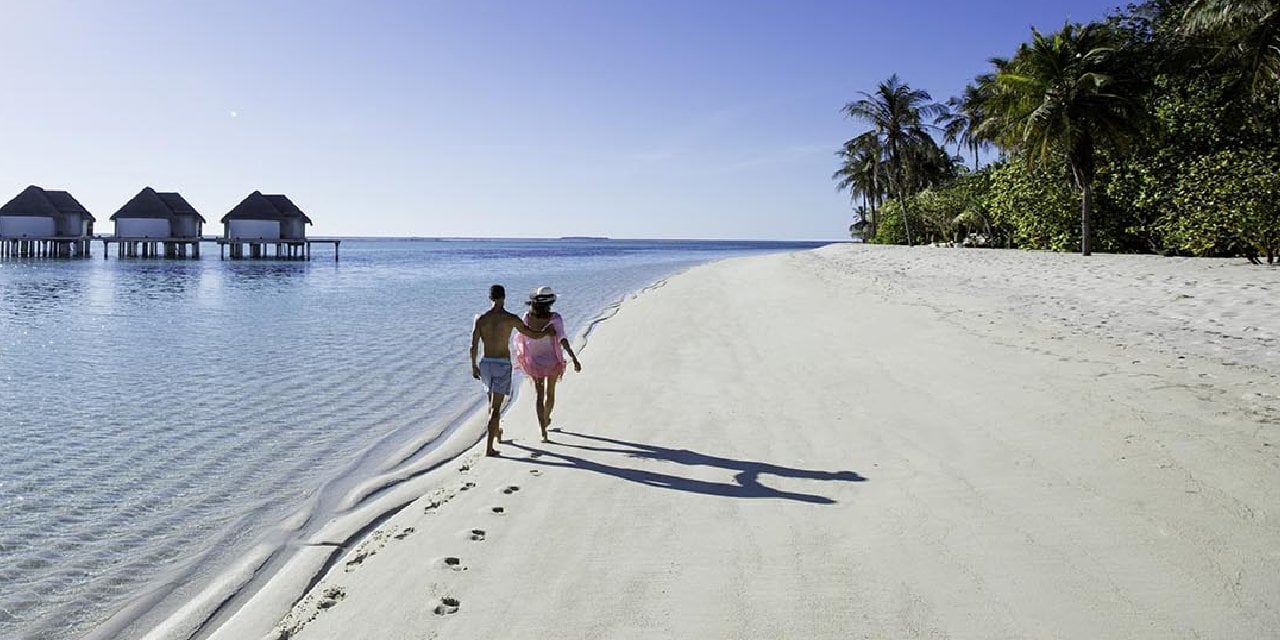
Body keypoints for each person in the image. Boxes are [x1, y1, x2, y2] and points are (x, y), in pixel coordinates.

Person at [471, 284, 554, 456]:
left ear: (490, 298)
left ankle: (497, 434)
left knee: (491, 403)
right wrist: (547, 332)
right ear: (504, 297)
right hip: (502, 364)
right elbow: (532, 334)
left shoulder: (480, 319)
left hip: (485, 363)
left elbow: (473, 345)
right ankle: (489, 448)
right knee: (496, 407)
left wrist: (473, 365)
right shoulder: (511, 318)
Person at [515, 286, 581, 442]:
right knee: (550, 394)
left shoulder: (527, 317)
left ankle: (543, 431)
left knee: (539, 396)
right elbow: (562, 339)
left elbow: (522, 337)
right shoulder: (555, 318)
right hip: (552, 361)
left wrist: (522, 356)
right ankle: (546, 418)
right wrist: (574, 358)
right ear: (551, 302)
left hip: (534, 362)